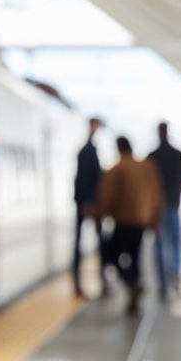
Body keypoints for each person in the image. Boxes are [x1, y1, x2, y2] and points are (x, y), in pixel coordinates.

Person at [96, 136, 161, 315]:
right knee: (136, 257)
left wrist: (98, 220)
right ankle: (135, 288)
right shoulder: (147, 167)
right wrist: (156, 221)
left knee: (112, 255)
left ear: (118, 149)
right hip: (142, 222)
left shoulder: (116, 170)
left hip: (123, 222)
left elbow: (106, 197)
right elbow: (157, 195)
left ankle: (132, 284)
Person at [146, 122, 181, 300]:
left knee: (159, 245)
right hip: (174, 204)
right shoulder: (179, 156)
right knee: (176, 243)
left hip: (157, 210)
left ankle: (163, 283)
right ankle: (175, 272)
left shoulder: (152, 157)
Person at [72, 116, 107, 298]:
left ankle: (90, 282)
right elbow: (85, 178)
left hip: (85, 202)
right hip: (88, 203)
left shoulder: (88, 150)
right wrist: (87, 202)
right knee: (96, 243)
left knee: (90, 243)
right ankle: (90, 282)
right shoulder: (88, 151)